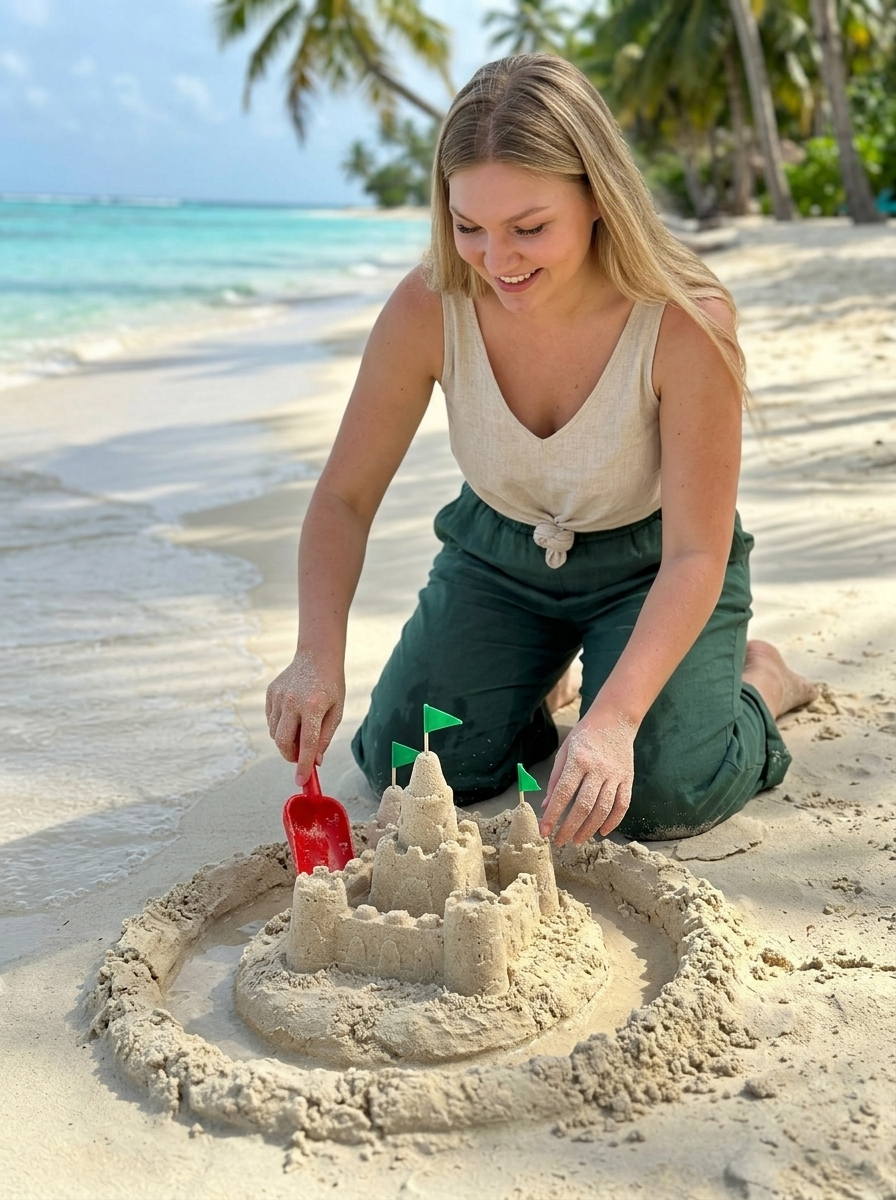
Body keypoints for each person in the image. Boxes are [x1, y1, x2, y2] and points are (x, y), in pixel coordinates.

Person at [265, 54, 816, 848]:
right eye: (469, 227)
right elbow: (345, 498)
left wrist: (617, 722)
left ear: (597, 198)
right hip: (498, 555)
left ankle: (759, 682)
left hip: (657, 562)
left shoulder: (685, 322)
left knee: (660, 794)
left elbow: (699, 551)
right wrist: (315, 653)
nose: (498, 261)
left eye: (529, 228)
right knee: (406, 760)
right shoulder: (430, 303)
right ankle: (538, 670)